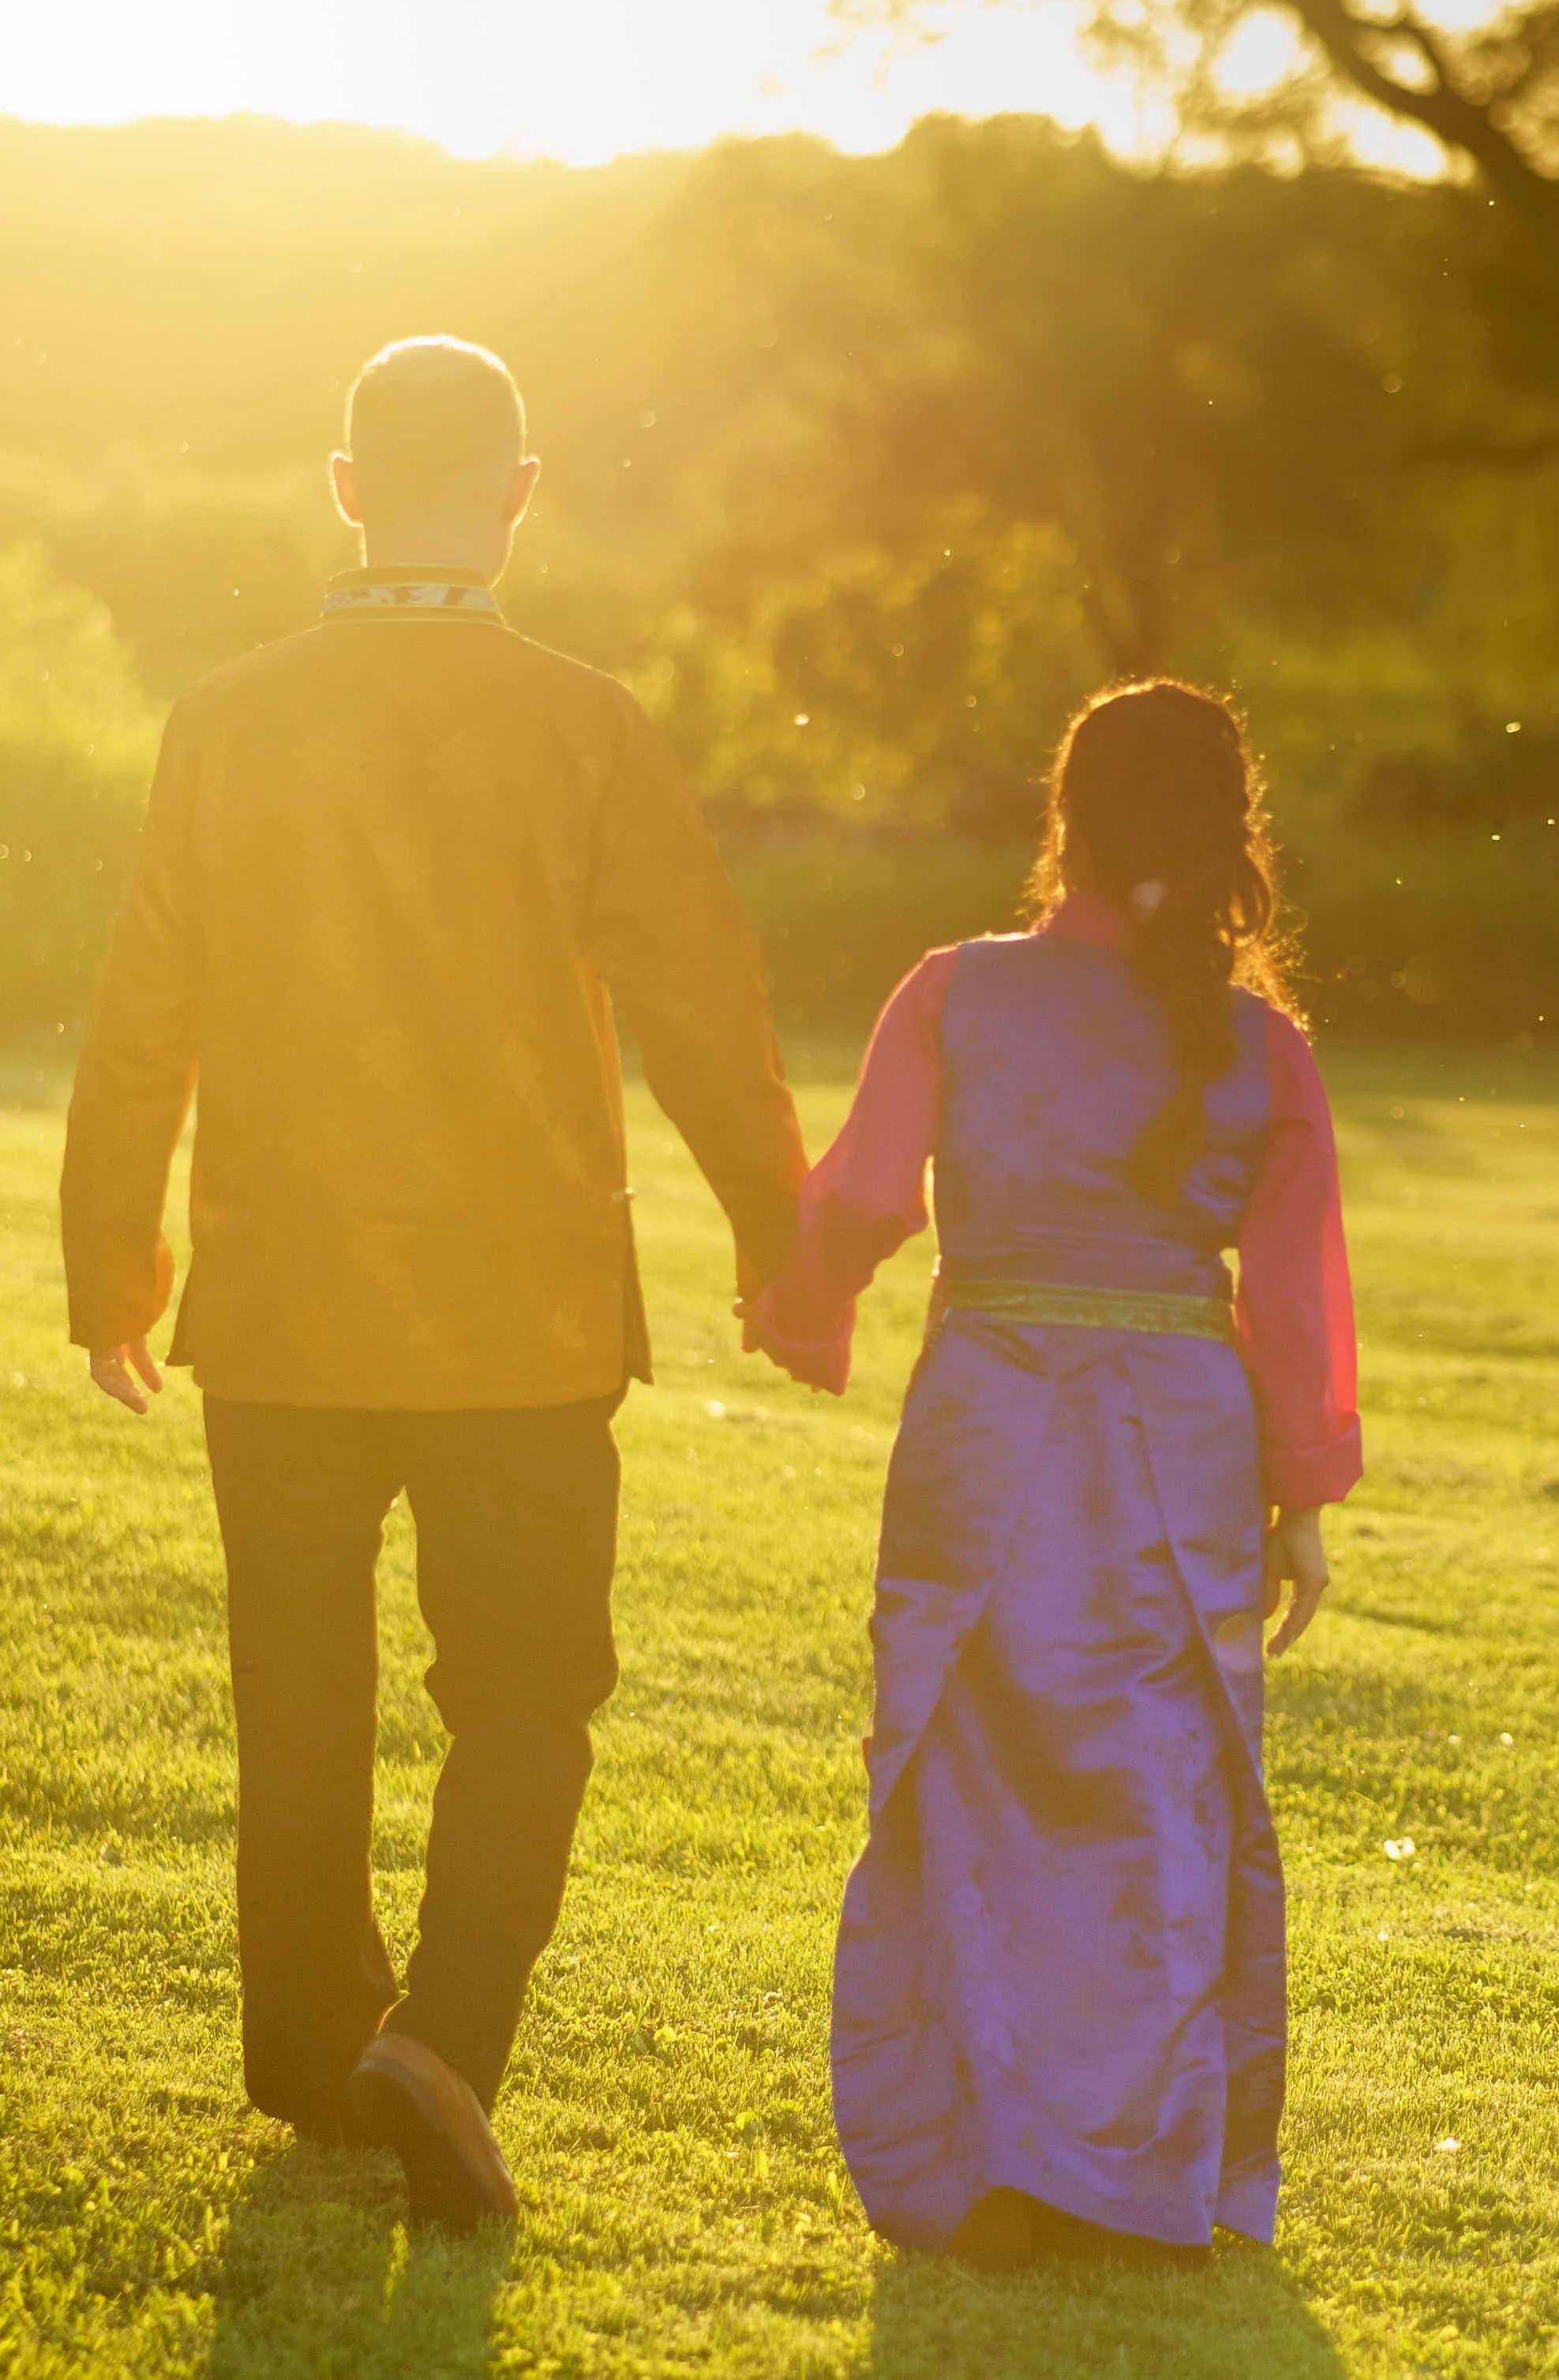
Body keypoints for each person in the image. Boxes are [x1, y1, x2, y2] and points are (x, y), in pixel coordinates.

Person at [60, 335, 805, 2232]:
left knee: (295, 1695)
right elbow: (706, 1006)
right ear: (521, 490)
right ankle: (445, 2039)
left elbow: (144, 1012)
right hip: (521, 1319)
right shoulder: (584, 723)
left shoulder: (225, 719)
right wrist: (778, 1233)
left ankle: (320, 2063)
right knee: (530, 1689)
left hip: (286, 1309)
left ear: (342, 483)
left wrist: (111, 1263)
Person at [744, 679, 1360, 2269]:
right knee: (1158, 1793)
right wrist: (1299, 1490)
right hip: (1179, 1435)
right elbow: (1292, 1295)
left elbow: (867, 1194)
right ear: (1230, 831)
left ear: (1062, 817)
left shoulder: (954, 991)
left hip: (988, 1416)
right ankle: (1139, 2175)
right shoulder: (1262, 1046)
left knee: (964, 1769)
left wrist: (797, 1303)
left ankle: (985, 2160)